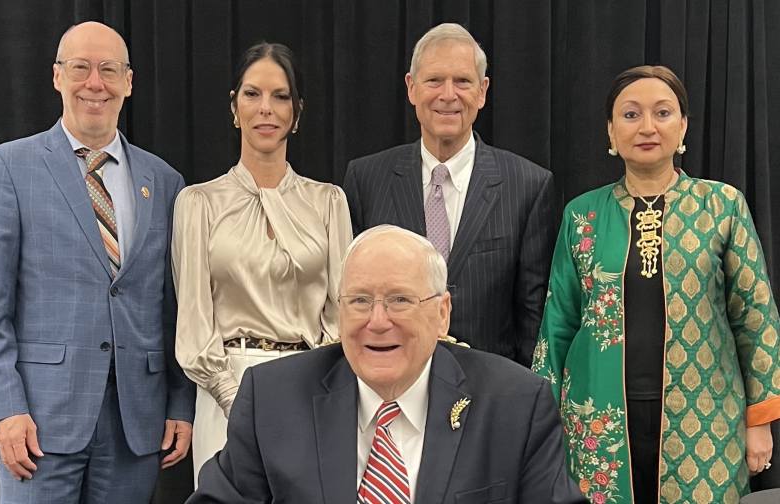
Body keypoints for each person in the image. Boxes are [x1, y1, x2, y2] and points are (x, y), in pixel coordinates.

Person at [532, 65, 780, 504]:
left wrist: (759, 421)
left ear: (682, 127)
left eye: (662, 113)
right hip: (595, 415)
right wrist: (542, 422)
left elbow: (754, 316)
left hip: (706, 414)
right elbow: (558, 323)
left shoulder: (722, 205)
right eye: (630, 115)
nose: (646, 127)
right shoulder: (581, 215)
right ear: (610, 131)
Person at [187, 225, 585, 503]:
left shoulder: (515, 403)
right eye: (359, 300)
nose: (377, 322)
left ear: (442, 313)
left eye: (400, 299)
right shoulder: (272, 399)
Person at [0, 21, 195, 503]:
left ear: (129, 83)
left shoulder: (166, 181)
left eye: (109, 70)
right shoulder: (6, 168)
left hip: (137, 424)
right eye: (81, 68)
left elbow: (174, 306)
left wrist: (180, 401)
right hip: (39, 425)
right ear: (56, 77)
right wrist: (5, 409)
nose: (95, 82)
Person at [171, 42, 352, 484]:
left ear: (297, 111)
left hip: (311, 392)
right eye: (252, 94)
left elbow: (343, 309)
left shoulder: (329, 202)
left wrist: (310, 390)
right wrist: (237, 401)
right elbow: (193, 317)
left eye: (280, 96)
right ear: (234, 107)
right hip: (224, 392)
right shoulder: (198, 203)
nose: (266, 109)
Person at [343, 23, 556, 367]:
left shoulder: (528, 185)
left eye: (462, 81)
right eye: (434, 81)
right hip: (389, 384)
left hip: (489, 393)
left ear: (483, 91)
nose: (448, 94)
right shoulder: (366, 179)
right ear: (411, 88)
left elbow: (533, 319)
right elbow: (353, 299)